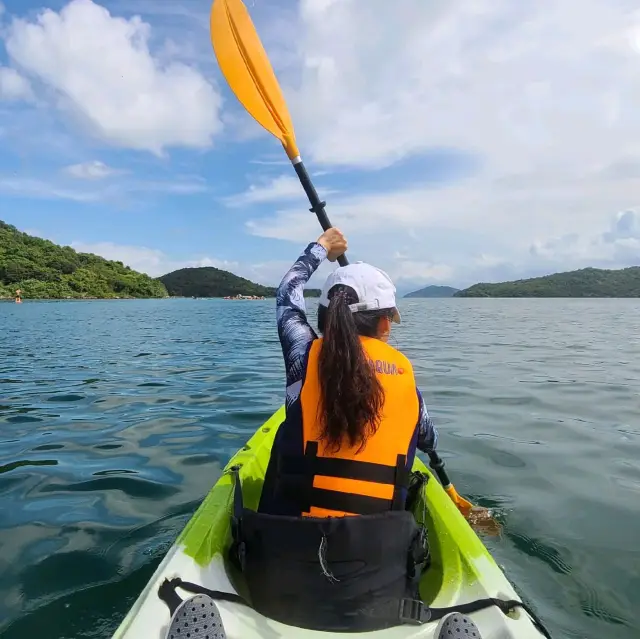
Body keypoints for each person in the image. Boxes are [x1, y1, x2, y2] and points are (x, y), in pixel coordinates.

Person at [258, 227, 439, 517]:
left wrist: (322, 246)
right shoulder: (406, 379)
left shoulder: (303, 356)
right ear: (384, 323)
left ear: (326, 318)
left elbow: (287, 293)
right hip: (380, 555)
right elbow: (429, 438)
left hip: (286, 548)